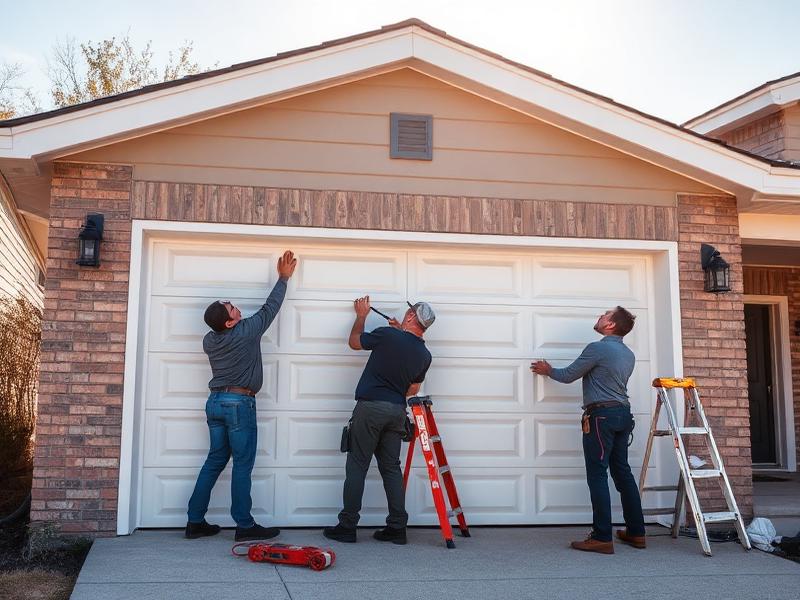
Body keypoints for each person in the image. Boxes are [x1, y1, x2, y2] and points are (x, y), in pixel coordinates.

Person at [185, 250, 297, 541]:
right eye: (232, 308)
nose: (236, 308)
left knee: (214, 460)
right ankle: (244, 525)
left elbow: (254, 315)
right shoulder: (245, 331)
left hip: (215, 404)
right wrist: (283, 278)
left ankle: (194, 521)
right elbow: (270, 309)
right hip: (238, 404)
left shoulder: (209, 340)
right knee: (242, 464)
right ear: (230, 322)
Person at [531, 306, 645, 554]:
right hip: (623, 415)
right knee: (623, 473)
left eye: (605, 315)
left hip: (601, 417)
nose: (600, 317)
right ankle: (637, 532)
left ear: (611, 325)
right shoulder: (628, 354)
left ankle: (602, 537)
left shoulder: (597, 348)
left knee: (597, 474)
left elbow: (568, 375)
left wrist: (548, 370)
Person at [323, 297, 435, 545]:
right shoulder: (424, 354)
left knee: (357, 466)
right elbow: (412, 389)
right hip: (396, 412)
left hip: (371, 408)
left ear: (410, 316)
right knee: (391, 469)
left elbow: (354, 342)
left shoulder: (387, 335)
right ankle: (397, 528)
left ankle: (347, 526)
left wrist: (361, 315)